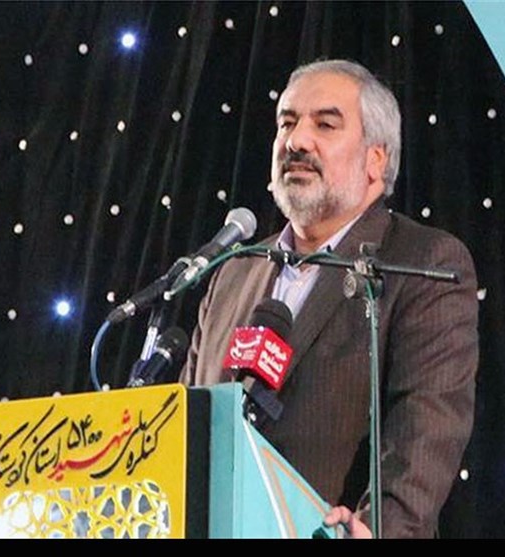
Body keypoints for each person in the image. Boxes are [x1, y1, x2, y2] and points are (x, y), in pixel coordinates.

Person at [180, 59, 479, 538]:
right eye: (287, 123)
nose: (297, 141)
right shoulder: (233, 271)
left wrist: (377, 529)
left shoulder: (422, 262)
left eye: (325, 124)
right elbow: (187, 428)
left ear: (376, 159)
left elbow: (427, 428)